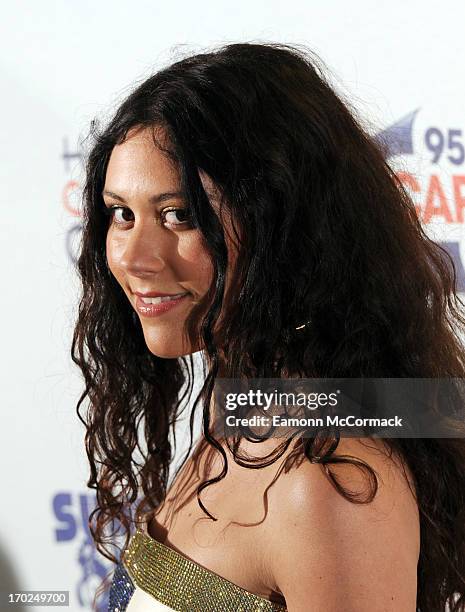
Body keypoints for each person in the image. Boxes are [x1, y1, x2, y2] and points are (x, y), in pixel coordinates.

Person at [72, 42, 465, 612]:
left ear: (285, 226)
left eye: (180, 215)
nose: (134, 257)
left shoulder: (328, 485)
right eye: (121, 214)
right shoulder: (244, 410)